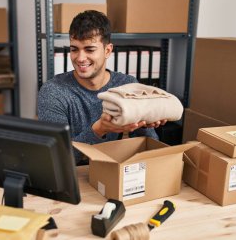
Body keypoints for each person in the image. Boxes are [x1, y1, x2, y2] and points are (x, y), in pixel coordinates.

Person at [37, 10, 166, 164]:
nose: (80, 58)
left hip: (114, 173)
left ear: (107, 50)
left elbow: (150, 146)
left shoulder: (128, 85)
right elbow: (56, 159)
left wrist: (144, 124)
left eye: (89, 49)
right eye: (74, 49)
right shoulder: (53, 92)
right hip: (75, 177)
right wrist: (99, 129)